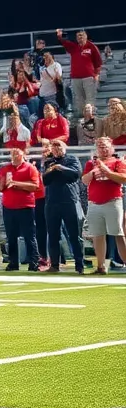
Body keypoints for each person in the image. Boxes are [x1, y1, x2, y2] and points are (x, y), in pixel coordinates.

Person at [82, 138, 126, 275]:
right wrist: (93, 171)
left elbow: (123, 178)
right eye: (100, 147)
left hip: (113, 202)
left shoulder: (118, 162)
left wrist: (107, 171)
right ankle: (100, 266)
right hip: (94, 203)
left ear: (112, 148)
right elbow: (84, 180)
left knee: (118, 234)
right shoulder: (91, 163)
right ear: (96, 149)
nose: (103, 149)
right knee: (97, 235)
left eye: (106, 147)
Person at [41, 139, 85, 274]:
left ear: (65, 147)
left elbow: (75, 175)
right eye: (53, 147)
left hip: (69, 201)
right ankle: (54, 264)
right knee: (53, 235)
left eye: (58, 146)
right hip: (52, 202)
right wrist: (53, 169)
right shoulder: (48, 162)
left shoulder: (72, 159)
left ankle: (79, 265)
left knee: (74, 235)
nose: (56, 149)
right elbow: (45, 180)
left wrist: (59, 168)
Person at [0, 147, 41, 272]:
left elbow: (35, 186)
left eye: (17, 153)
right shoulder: (5, 169)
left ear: (23, 154)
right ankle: (13, 262)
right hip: (8, 206)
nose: (15, 155)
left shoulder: (30, 168)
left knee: (29, 236)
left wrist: (17, 184)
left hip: (25, 206)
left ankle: (34, 262)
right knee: (11, 237)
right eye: (13, 153)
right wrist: (3, 182)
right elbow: (0, 188)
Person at [56, 29, 102, 115]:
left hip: (89, 77)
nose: (80, 37)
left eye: (81, 35)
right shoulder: (74, 47)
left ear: (86, 36)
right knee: (79, 99)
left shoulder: (91, 46)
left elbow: (98, 62)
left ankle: (91, 117)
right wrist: (59, 36)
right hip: (75, 78)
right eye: (78, 36)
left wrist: (97, 74)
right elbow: (64, 42)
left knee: (90, 98)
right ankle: (82, 116)